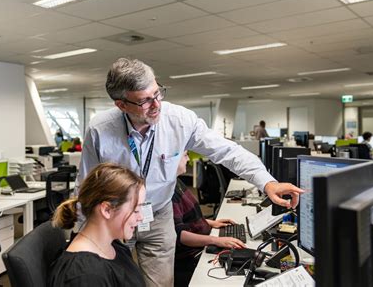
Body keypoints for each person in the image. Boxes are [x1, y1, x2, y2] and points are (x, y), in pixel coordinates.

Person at [78, 58, 303, 287]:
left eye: (158, 93)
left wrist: (267, 182)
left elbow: (227, 151)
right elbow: (85, 186)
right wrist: (82, 238)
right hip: (116, 216)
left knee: (162, 284)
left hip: (159, 214)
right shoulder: (100, 130)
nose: (156, 105)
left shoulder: (179, 120)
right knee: (110, 279)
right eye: (145, 101)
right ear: (121, 105)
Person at [49, 163, 146, 287]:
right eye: (136, 210)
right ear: (107, 210)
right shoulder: (84, 275)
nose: (141, 217)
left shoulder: (114, 246)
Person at [172, 152, 246, 287]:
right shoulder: (169, 192)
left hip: (199, 245)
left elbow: (188, 219)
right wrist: (216, 240)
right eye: (185, 155)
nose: (188, 159)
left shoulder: (177, 182)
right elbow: (179, 235)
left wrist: (212, 223)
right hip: (191, 257)